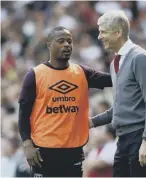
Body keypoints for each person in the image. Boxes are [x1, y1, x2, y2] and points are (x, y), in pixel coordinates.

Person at [18, 26, 112, 177]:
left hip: (73, 152)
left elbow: (112, 79)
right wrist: (27, 144)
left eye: (70, 41)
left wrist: (131, 62)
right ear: (49, 44)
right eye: (61, 41)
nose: (67, 45)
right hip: (43, 153)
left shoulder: (81, 72)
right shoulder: (35, 75)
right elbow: (23, 114)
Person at [89, 10, 146, 177]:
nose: (100, 37)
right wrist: (92, 122)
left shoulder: (139, 58)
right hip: (123, 139)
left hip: (140, 136)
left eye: (103, 32)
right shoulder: (116, 62)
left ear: (118, 32)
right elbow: (121, 108)